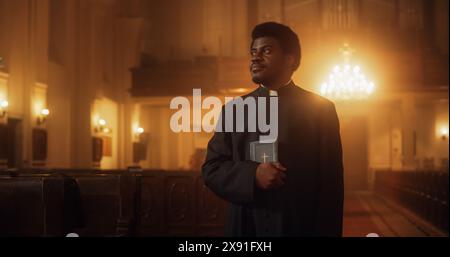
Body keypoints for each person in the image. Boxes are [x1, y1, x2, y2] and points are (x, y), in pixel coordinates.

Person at [202, 22, 344, 237]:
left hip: (300, 225)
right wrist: (253, 175)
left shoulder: (321, 111)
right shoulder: (234, 110)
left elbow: (331, 189)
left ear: (290, 59)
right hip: (246, 226)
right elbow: (212, 169)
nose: (255, 58)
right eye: (253, 52)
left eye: (266, 50)